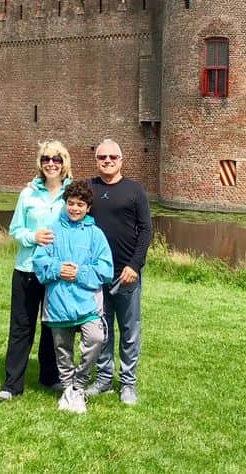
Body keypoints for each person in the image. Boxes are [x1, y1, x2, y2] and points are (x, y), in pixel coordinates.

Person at [0, 140, 72, 403]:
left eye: (56, 159)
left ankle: (49, 376)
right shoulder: (27, 194)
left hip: (55, 271)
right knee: (21, 326)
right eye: (46, 159)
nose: (51, 164)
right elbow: (15, 230)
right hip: (27, 268)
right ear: (40, 164)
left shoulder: (72, 194)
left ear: (64, 163)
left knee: (53, 325)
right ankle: (11, 384)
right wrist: (33, 236)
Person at [31, 180, 113, 414]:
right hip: (59, 302)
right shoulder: (52, 231)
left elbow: (105, 270)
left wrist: (79, 273)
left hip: (87, 303)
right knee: (63, 349)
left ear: (88, 208)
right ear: (65, 204)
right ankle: (69, 390)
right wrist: (58, 269)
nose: (75, 208)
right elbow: (40, 263)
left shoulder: (96, 235)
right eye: (71, 204)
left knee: (96, 338)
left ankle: (79, 385)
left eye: (80, 205)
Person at [86, 138, 153, 405]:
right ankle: (103, 379)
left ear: (121, 160)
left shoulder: (134, 190)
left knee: (129, 330)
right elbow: (69, 211)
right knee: (101, 329)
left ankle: (127, 383)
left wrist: (134, 266)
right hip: (97, 274)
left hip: (126, 274)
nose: (108, 161)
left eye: (113, 157)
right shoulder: (89, 188)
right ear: (96, 160)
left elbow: (146, 230)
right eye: (103, 157)